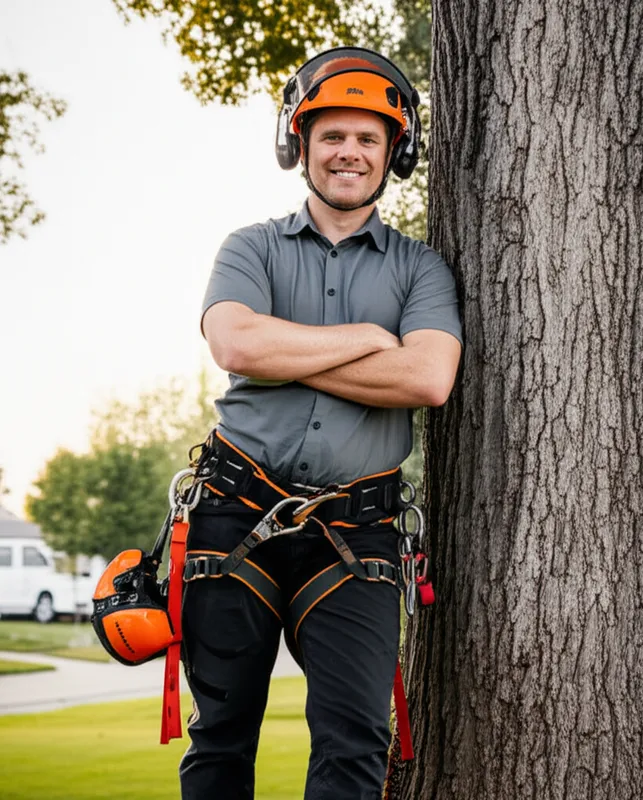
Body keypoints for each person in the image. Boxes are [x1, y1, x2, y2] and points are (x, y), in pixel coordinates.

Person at [179, 46, 463, 800]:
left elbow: (429, 378)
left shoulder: (423, 269)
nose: (349, 153)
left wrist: (287, 351)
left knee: (355, 740)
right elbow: (234, 342)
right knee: (220, 739)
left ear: (392, 152)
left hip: (358, 537)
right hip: (229, 515)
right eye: (332, 135)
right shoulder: (249, 247)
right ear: (299, 143)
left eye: (368, 138)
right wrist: (372, 342)